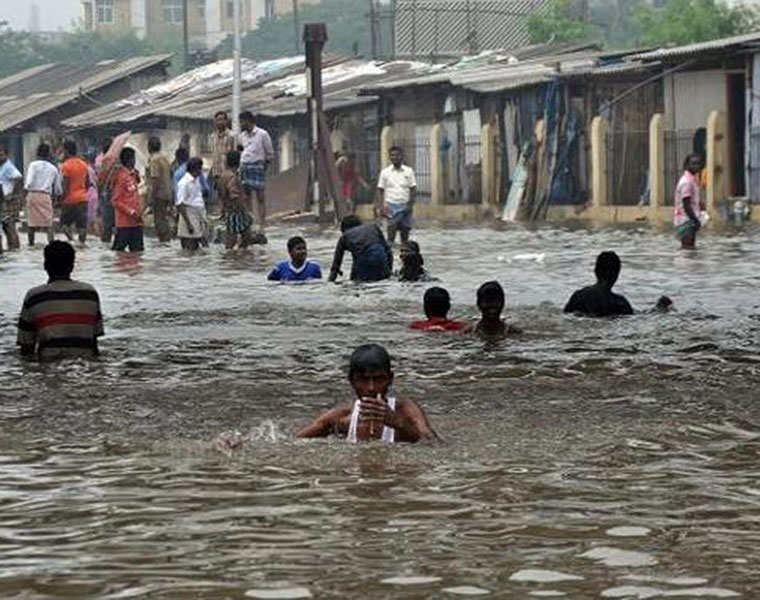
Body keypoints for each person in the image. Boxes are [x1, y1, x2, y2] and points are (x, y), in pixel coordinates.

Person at [296, 344, 436, 443]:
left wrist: (397, 423)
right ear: (351, 381)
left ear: (390, 379)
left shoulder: (405, 410)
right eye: (363, 380)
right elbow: (295, 442)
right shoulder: (343, 418)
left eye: (379, 379)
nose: (371, 388)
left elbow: (433, 443)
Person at [16, 241, 104, 360]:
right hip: (84, 365)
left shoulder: (34, 296)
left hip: (48, 367)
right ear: (72, 266)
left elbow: (26, 348)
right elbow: (94, 344)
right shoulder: (89, 293)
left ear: (45, 265)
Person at [564, 251, 634, 317]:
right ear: (616, 274)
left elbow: (565, 314)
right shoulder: (619, 303)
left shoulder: (578, 295)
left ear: (595, 271)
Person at [238, 111, 274, 237]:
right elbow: (240, 150)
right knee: (246, 198)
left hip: (258, 166)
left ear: (249, 121)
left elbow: (269, 153)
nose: (241, 124)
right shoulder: (242, 136)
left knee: (260, 198)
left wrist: (264, 167)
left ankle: (262, 226)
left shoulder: (262, 134)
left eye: (243, 121)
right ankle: (250, 224)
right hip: (245, 167)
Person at [328, 215, 393, 283]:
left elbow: (335, 267)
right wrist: (389, 271)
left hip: (363, 263)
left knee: (357, 283)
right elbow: (388, 252)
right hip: (381, 258)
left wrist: (329, 283)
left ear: (344, 229)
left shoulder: (344, 237)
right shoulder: (374, 227)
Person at [376, 146, 417, 246]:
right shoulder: (385, 172)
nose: (395, 157)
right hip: (390, 206)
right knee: (391, 235)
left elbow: (413, 189)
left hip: (405, 206)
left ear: (402, 156)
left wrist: (410, 205)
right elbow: (380, 190)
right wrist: (381, 207)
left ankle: (404, 256)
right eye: (392, 155)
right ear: (390, 157)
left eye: (397, 155)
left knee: (405, 235)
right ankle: (391, 256)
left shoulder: (409, 171)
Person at [25, 143, 62, 247]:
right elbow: (58, 189)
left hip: (33, 195)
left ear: (37, 153)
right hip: (46, 196)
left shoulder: (33, 165)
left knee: (31, 224)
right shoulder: (53, 168)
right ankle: (52, 245)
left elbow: (29, 182)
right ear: (49, 154)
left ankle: (31, 245)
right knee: (49, 224)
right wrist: (57, 200)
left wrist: (25, 193)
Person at [217, 150, 254, 250]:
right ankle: (231, 259)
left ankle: (238, 258)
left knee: (246, 236)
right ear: (238, 162)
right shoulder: (232, 177)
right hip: (235, 211)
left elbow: (221, 194)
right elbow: (234, 195)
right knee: (232, 240)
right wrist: (245, 211)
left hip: (231, 210)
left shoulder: (223, 175)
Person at [111, 147, 144, 253]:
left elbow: (133, 190)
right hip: (124, 223)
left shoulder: (132, 175)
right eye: (134, 158)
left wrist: (136, 176)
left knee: (138, 252)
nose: (135, 161)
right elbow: (115, 200)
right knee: (118, 251)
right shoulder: (121, 176)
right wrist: (131, 212)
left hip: (136, 222)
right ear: (130, 160)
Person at [59, 140, 91, 245]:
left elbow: (65, 185)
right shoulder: (84, 164)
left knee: (63, 225)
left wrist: (61, 199)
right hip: (82, 199)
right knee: (82, 226)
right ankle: (82, 245)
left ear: (66, 151)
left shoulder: (65, 166)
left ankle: (72, 241)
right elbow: (87, 183)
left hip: (69, 200)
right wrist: (82, 193)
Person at [674, 153, 705, 250]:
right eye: (693, 164)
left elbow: (690, 201)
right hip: (686, 221)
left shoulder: (692, 180)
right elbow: (686, 205)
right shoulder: (687, 182)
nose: (696, 166)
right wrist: (696, 221)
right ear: (686, 165)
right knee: (688, 249)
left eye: (698, 164)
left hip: (688, 220)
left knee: (690, 251)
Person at [145, 136, 173, 243]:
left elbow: (154, 179)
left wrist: (150, 196)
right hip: (167, 192)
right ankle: (166, 242)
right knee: (163, 218)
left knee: (159, 220)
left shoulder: (154, 160)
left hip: (159, 194)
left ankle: (164, 242)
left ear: (149, 147)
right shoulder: (165, 159)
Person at [176, 157, 207, 251]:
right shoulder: (184, 183)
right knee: (189, 248)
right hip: (189, 217)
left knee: (197, 248)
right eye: (200, 168)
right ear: (195, 169)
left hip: (197, 216)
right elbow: (180, 204)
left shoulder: (196, 180)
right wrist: (188, 223)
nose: (201, 171)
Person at [209, 111, 236, 202]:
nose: (220, 122)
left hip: (228, 171)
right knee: (221, 195)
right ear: (215, 122)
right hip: (217, 172)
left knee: (230, 195)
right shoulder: (212, 137)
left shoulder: (232, 136)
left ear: (226, 121)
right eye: (218, 120)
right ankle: (223, 214)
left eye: (222, 119)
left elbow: (235, 153)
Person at [0, 146, 23, 250]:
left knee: (10, 225)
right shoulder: (2, 167)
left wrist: (12, 195)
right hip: (4, 200)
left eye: (1, 155)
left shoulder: (8, 166)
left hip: (10, 200)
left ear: (6, 155)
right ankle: (12, 248)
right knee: (6, 225)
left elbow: (18, 178)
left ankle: (14, 247)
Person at [95, 138, 117, 244]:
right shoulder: (116, 162)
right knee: (116, 224)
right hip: (115, 195)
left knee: (107, 224)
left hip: (107, 195)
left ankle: (105, 245)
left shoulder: (103, 162)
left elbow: (100, 181)